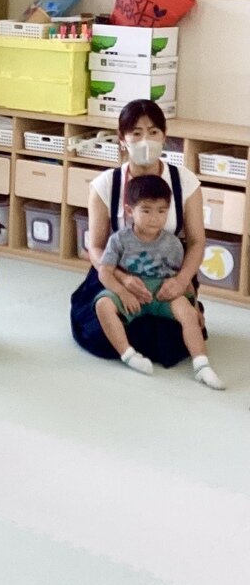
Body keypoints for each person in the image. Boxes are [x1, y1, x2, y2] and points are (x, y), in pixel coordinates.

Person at [71, 99, 206, 367]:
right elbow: (95, 247)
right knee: (97, 331)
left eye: (153, 132)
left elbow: (197, 242)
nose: (146, 140)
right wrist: (121, 279)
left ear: (164, 136)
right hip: (117, 269)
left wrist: (181, 281)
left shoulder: (185, 181)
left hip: (167, 273)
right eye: (136, 133)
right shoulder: (105, 184)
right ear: (122, 139)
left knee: (175, 340)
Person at [93, 176, 224, 388]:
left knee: (188, 314)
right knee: (102, 305)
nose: (154, 218)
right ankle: (129, 355)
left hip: (163, 292)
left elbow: (182, 278)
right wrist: (122, 292)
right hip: (131, 290)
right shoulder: (119, 240)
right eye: (146, 211)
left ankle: (202, 365)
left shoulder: (173, 243)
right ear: (129, 211)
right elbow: (104, 272)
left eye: (162, 211)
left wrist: (194, 305)